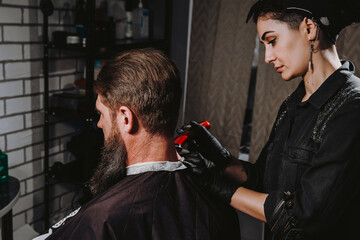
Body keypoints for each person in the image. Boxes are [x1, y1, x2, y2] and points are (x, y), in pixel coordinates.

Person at [180, 0, 360, 239]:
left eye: (272, 40)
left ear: (309, 29)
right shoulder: (292, 105)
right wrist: (220, 159)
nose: (267, 57)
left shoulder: (351, 109)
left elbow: (302, 216)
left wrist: (219, 186)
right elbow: (263, 180)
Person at [34, 48, 240, 240]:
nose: (99, 124)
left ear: (125, 118)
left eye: (101, 114)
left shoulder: (102, 217)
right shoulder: (220, 197)